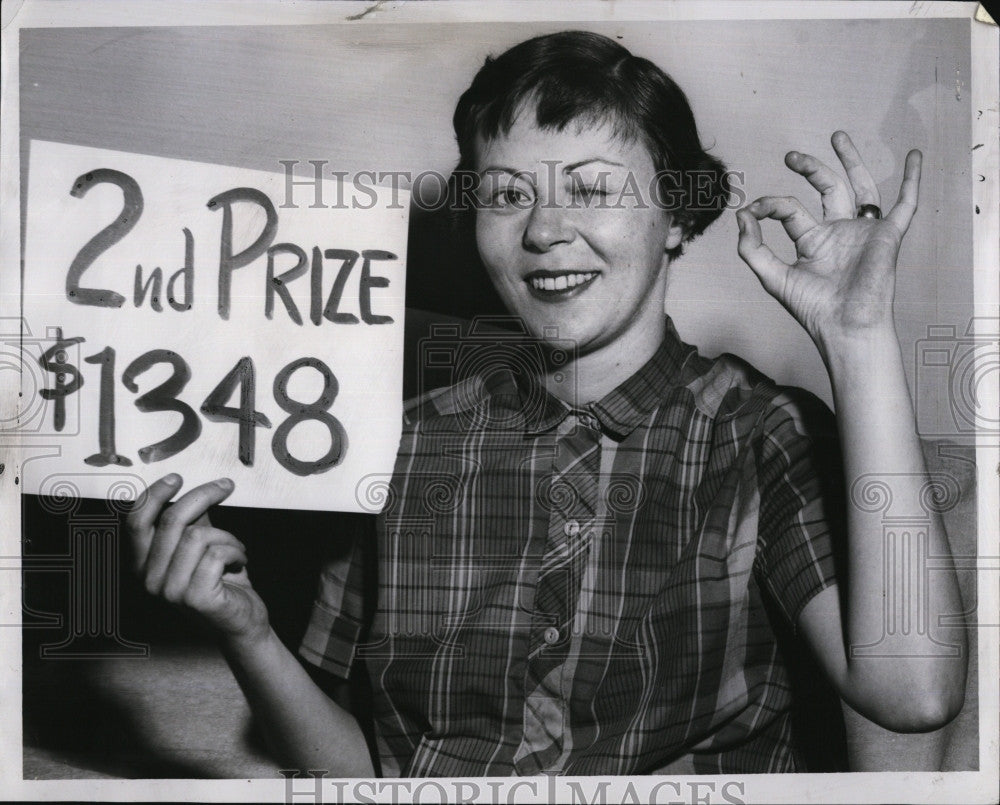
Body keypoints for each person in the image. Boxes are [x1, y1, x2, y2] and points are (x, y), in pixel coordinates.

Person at [125, 31, 967, 776]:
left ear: (674, 213)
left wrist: (859, 341)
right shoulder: (398, 443)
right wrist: (245, 630)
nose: (545, 230)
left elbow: (913, 690)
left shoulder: (756, 432)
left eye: (595, 190)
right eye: (506, 194)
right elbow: (361, 775)